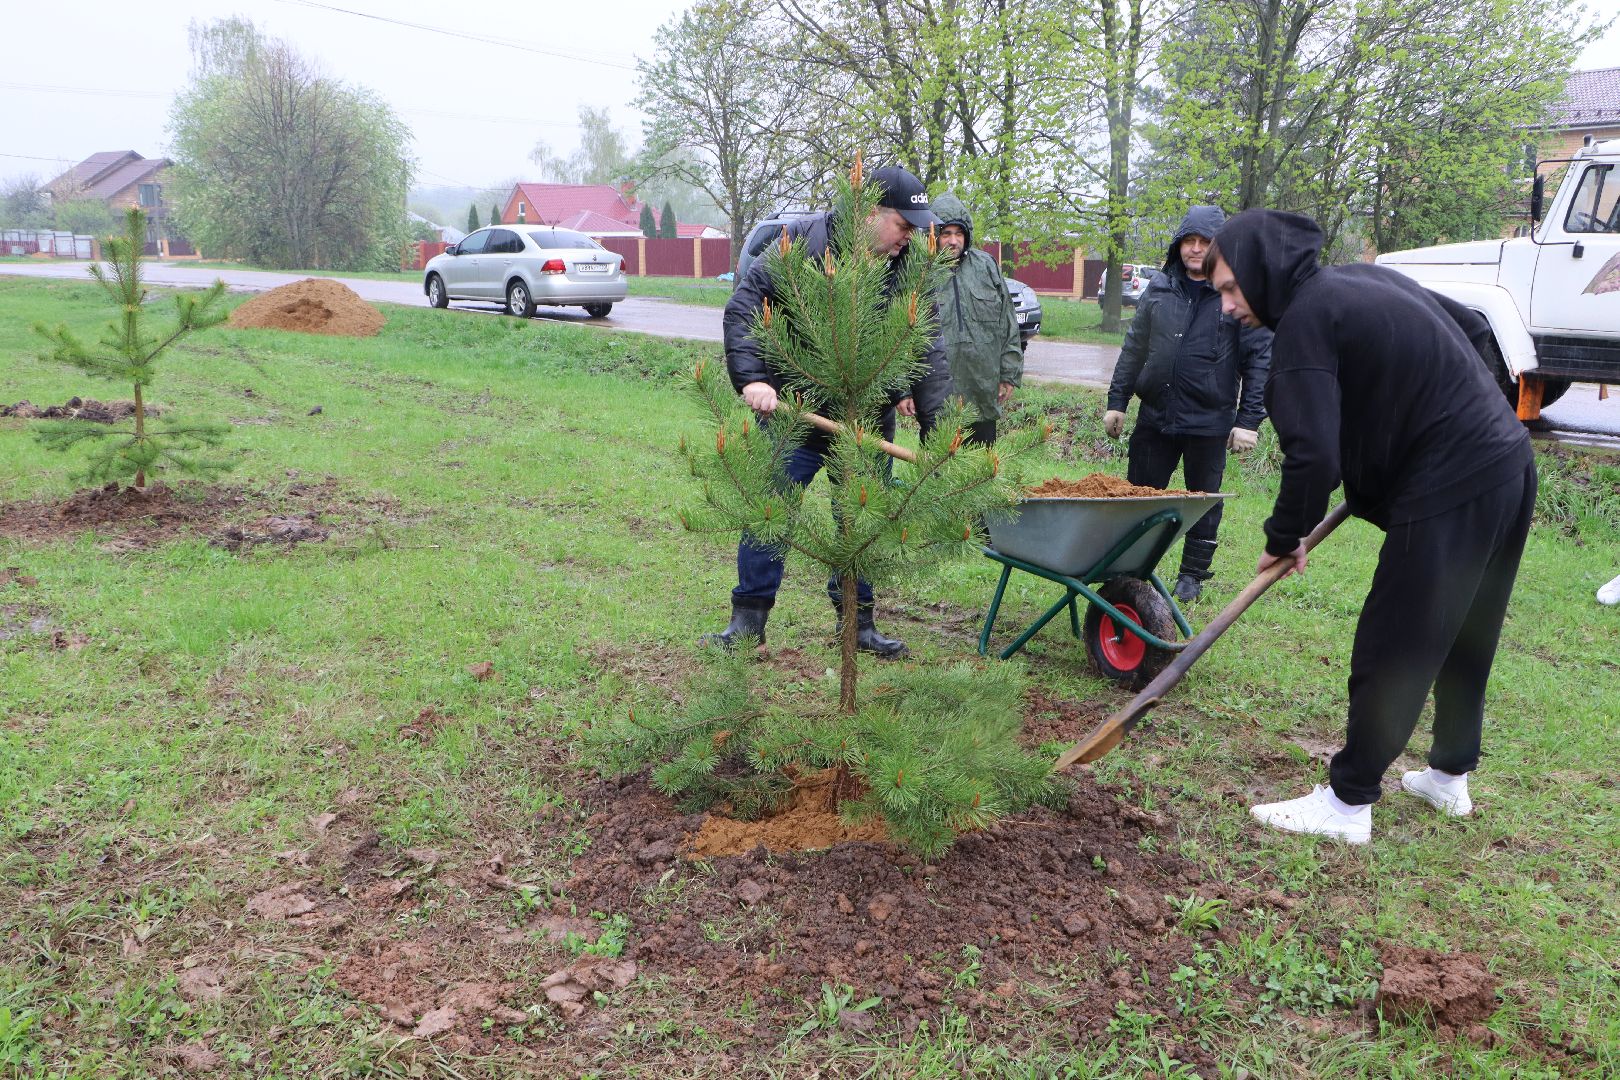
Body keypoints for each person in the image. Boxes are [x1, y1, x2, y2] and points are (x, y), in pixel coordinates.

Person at [1206, 209, 1537, 844]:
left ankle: (1347, 802)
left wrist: (1284, 538)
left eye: (1229, 288)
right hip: (1507, 462)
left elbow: (1313, 457)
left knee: (1396, 635)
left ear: (1259, 270)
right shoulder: (1360, 281)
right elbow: (1469, 327)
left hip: (1452, 479)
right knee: (1467, 630)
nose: (1225, 306)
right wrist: (1452, 413)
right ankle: (1448, 776)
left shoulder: (1305, 320)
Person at [703, 164, 949, 659]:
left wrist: (940, 436)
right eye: (903, 225)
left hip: (866, 424)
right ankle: (748, 624)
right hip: (795, 417)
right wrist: (753, 379)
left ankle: (858, 625)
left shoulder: (908, 270)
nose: (910, 238)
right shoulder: (802, 245)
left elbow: (929, 353)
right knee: (770, 513)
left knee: (861, 521)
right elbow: (745, 305)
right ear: (871, 211)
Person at [1104, 205, 1271, 603]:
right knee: (1140, 499)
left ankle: (1192, 576)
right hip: (1155, 417)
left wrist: (1248, 421)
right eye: (1188, 241)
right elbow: (1134, 348)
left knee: (1203, 502)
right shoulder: (1160, 287)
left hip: (1209, 421)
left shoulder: (1237, 293)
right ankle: (1132, 572)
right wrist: (1117, 401)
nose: (1195, 249)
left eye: (1204, 242)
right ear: (1178, 245)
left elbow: (1260, 360)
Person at [930, 193, 1023, 445]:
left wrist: (1009, 374)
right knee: (939, 463)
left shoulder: (986, 266)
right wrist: (903, 391)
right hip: (938, 394)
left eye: (958, 233)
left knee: (982, 462)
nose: (953, 241)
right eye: (946, 234)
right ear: (933, 235)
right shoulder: (920, 272)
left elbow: (1008, 324)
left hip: (982, 390)